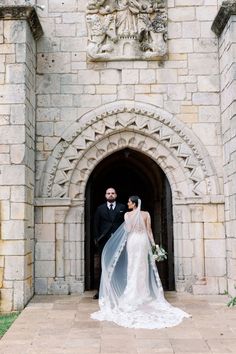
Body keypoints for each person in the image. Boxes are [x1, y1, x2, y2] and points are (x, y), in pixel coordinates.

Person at [91, 195, 191, 329]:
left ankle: (132, 293)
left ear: (133, 203)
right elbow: (149, 231)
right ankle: (143, 294)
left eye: (129, 202)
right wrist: (154, 245)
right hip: (143, 241)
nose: (127, 204)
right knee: (142, 267)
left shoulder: (127, 215)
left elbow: (127, 230)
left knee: (132, 267)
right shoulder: (146, 214)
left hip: (133, 241)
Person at [93, 187, 126, 299]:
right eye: (108, 193)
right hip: (104, 241)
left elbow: (126, 223)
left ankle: (119, 290)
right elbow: (96, 224)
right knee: (103, 265)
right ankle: (100, 291)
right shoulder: (100, 209)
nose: (110, 195)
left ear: (116, 195)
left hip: (119, 240)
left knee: (119, 264)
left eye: (113, 193)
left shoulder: (122, 207)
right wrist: (96, 238)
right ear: (105, 195)